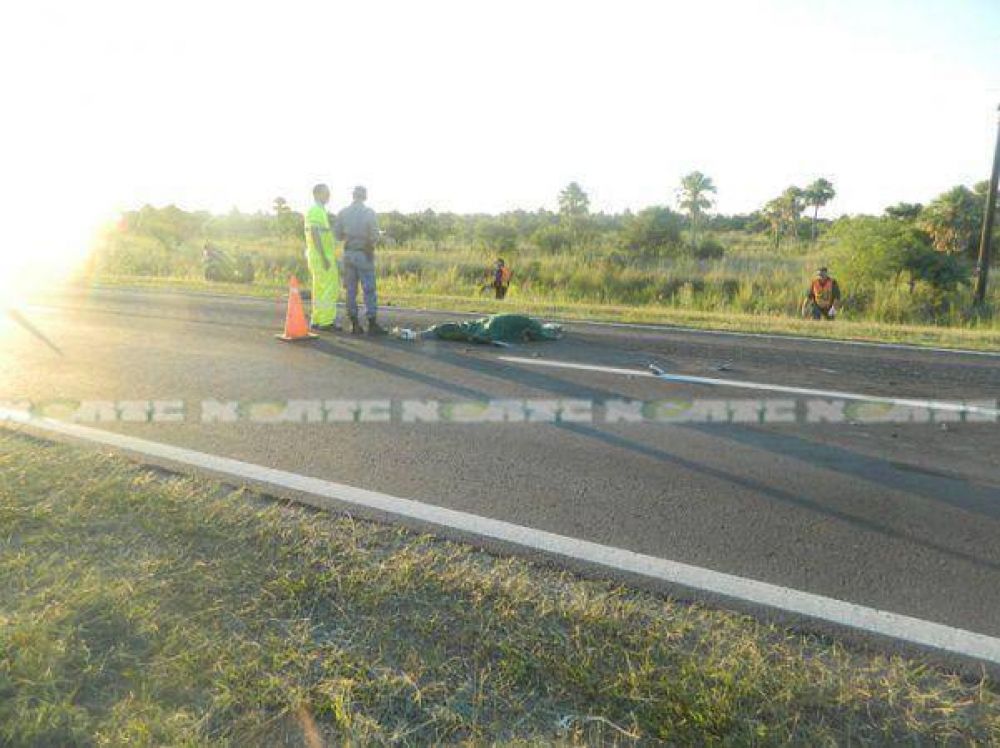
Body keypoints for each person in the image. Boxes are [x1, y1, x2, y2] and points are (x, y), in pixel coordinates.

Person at [335, 186, 385, 335]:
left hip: (349, 253)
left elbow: (337, 235)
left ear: (353, 196)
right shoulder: (369, 213)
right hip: (364, 253)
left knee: (350, 289)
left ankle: (354, 323)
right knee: (369, 289)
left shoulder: (343, 213)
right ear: (365, 196)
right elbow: (375, 235)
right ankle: (372, 322)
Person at [304, 183, 339, 331]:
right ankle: (326, 321)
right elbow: (315, 234)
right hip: (322, 257)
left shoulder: (318, 211)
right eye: (326, 193)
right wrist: (324, 257)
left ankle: (317, 318)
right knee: (329, 289)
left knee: (319, 288)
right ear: (318, 194)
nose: (329, 196)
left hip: (317, 256)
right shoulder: (316, 211)